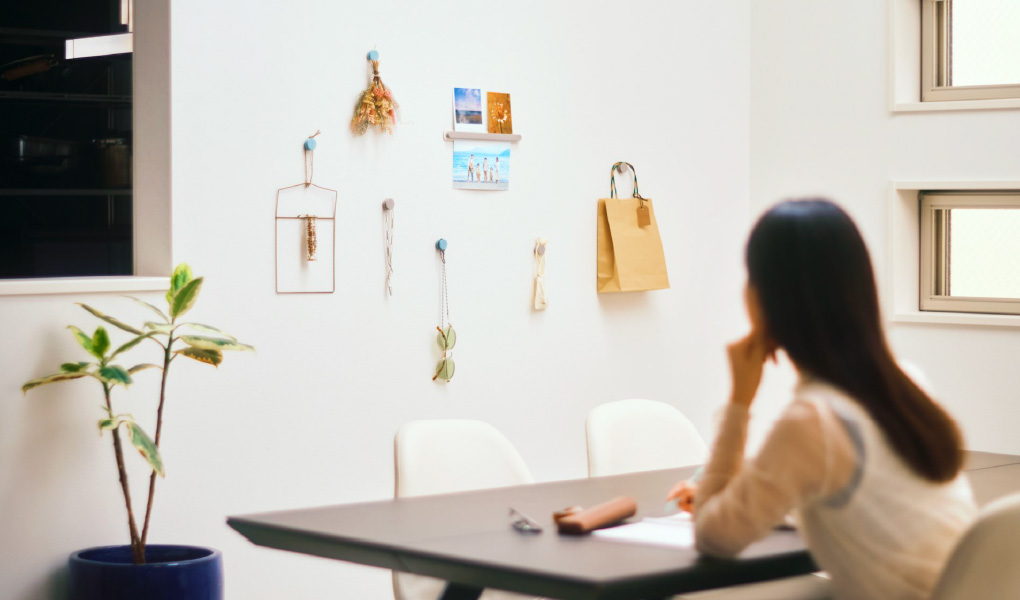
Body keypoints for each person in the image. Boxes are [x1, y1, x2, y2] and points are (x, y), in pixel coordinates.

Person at [667, 199, 976, 600]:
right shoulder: (906, 381)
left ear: (767, 300)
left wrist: (740, 400)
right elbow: (865, 502)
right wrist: (741, 491)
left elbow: (713, 537)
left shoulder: (813, 421)